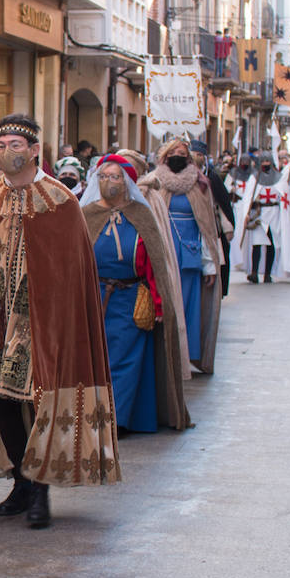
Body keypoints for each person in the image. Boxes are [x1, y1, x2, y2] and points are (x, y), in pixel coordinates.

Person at [0, 114, 119, 530]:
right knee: (3, 402)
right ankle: (21, 482)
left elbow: (73, 273)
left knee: (39, 403)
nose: (7, 150)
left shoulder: (60, 201)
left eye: (17, 144)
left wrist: (63, 321)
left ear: (34, 150)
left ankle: (40, 489)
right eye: (2, 143)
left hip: (41, 323)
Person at [80, 156, 191, 433]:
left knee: (124, 361)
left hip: (130, 300)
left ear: (127, 181)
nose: (108, 182)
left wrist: (159, 302)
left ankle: (117, 420)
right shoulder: (86, 215)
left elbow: (155, 266)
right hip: (92, 298)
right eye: (103, 177)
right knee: (96, 359)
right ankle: (92, 414)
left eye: (115, 177)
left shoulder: (141, 215)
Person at [139, 138, 225, 372]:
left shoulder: (200, 184)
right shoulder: (153, 183)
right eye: (173, 152)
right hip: (164, 252)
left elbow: (207, 227)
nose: (177, 155)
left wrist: (209, 264)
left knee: (188, 305)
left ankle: (187, 356)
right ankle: (165, 354)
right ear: (165, 156)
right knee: (166, 303)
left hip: (190, 253)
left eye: (182, 152)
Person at [192, 140, 235, 294]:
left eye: (199, 154)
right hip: (192, 226)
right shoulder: (184, 176)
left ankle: (218, 291)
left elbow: (222, 204)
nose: (196, 157)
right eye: (194, 154)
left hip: (212, 225)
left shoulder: (212, 177)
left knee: (217, 261)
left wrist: (228, 226)